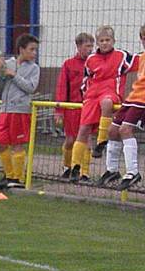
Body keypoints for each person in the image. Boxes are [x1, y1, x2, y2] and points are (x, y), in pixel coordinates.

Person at [69, 25, 136, 183]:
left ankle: (101, 141)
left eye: (108, 40)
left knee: (107, 103)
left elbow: (139, 61)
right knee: (83, 129)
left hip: (111, 92)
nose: (105, 43)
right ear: (97, 43)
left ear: (114, 41)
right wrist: (85, 94)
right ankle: (75, 167)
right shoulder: (91, 60)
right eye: (101, 41)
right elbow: (86, 79)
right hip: (92, 95)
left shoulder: (121, 55)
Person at [97, 24, 145, 190]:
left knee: (125, 130)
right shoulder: (142, 57)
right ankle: (112, 170)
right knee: (112, 130)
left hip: (142, 101)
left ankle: (133, 172)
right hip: (132, 98)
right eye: (143, 38)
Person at [0, 33, 41, 190]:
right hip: (5, 109)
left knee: (17, 144)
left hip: (20, 110)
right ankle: (9, 174)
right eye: (31, 49)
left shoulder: (34, 69)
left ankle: (17, 178)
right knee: (0, 143)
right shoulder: (8, 63)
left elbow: (30, 88)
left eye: (35, 50)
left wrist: (14, 75)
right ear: (21, 49)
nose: (34, 53)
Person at [54, 33, 94, 179]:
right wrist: (59, 110)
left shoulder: (94, 63)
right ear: (78, 46)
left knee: (87, 140)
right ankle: (67, 166)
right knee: (71, 140)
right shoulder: (69, 64)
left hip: (88, 108)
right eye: (87, 46)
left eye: (91, 46)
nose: (90, 49)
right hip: (72, 108)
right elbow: (62, 87)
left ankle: (84, 172)